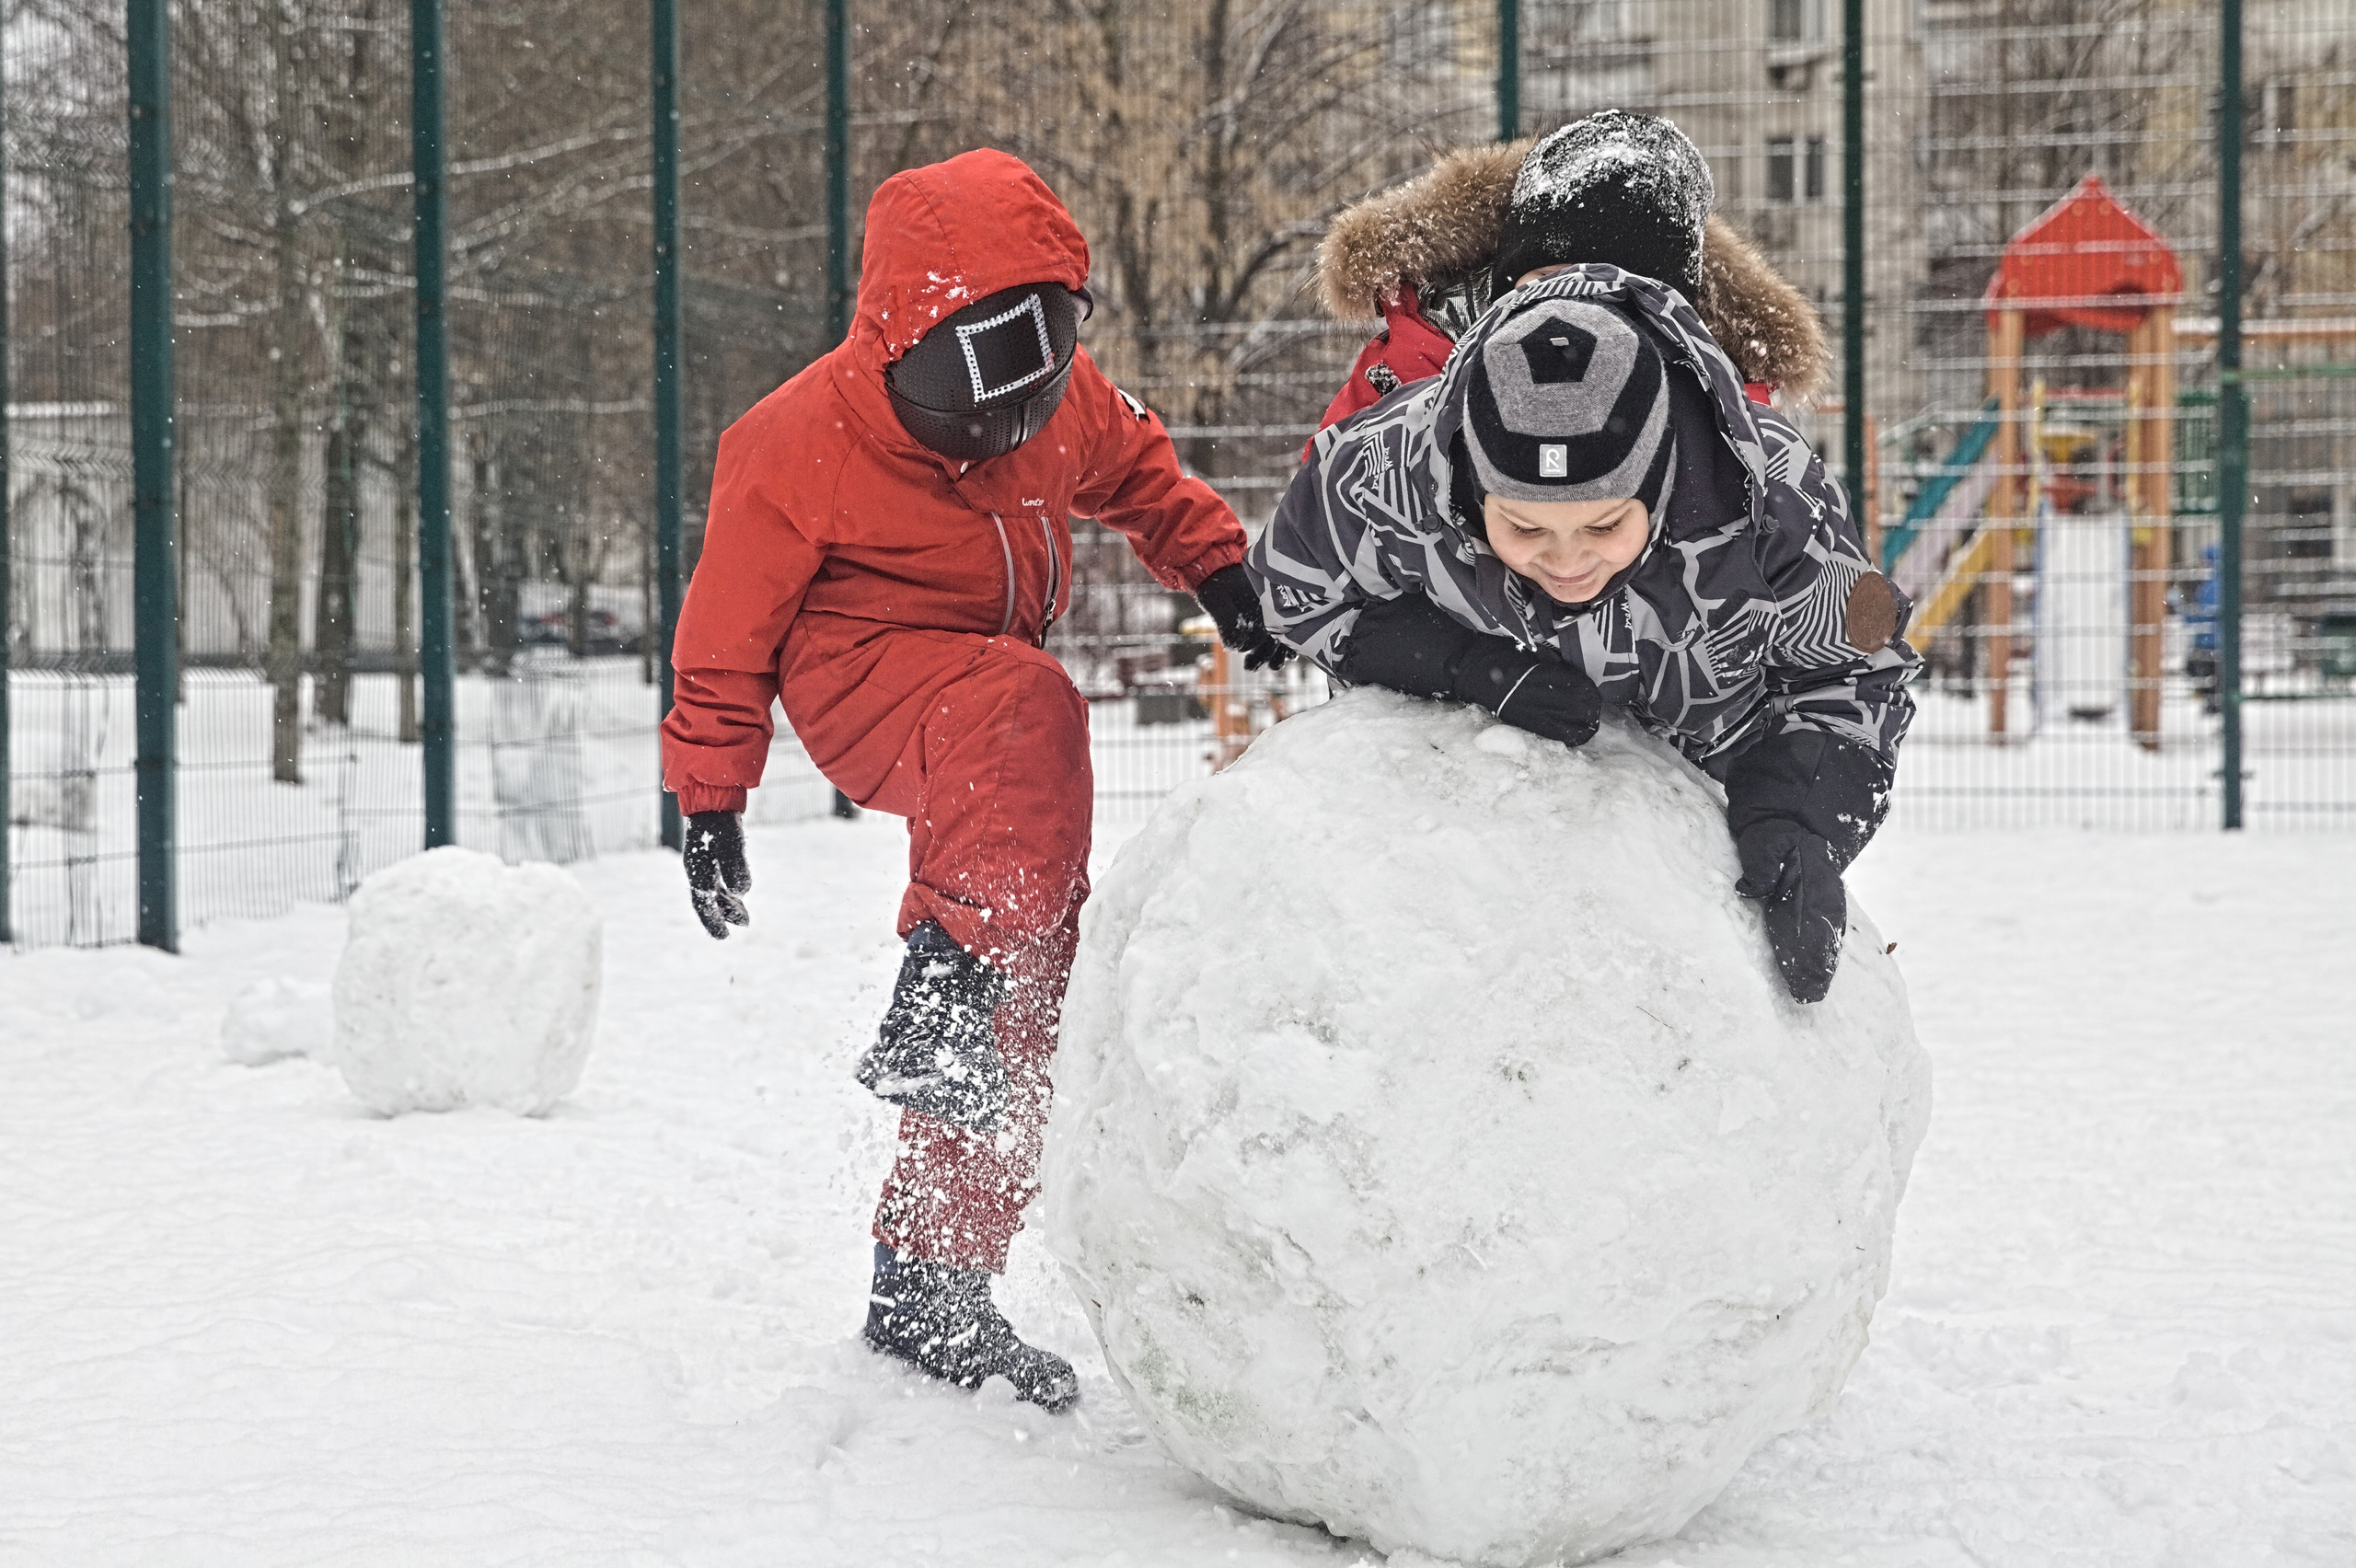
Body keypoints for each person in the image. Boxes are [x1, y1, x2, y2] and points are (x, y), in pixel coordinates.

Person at [661, 149, 1286, 1412]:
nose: (1007, 431)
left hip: (998, 726)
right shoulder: (793, 443)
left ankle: (931, 1280)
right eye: (973, 407)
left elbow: (1140, 478)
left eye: (1033, 392)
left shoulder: (1062, 402)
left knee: (1036, 974)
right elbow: (722, 634)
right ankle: (948, 977)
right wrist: (710, 796)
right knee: (1025, 705)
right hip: (863, 681)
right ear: (900, 344)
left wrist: (1221, 572)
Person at [1248, 262, 1918, 1005]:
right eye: (1524, 527)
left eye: (1604, 525)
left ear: (1657, 481)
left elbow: (1861, 666)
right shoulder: (1386, 466)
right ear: (1472, 486)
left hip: (1700, 835)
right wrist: (1466, 667)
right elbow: (1294, 591)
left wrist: (1799, 819)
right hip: (1448, 861)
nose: (1566, 562)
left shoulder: (1773, 487)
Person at [1311, 111, 1829, 436]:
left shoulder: (1721, 413)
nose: (1561, 310)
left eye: (1599, 293)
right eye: (1539, 284)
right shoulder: (1419, 364)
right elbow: (1323, 522)